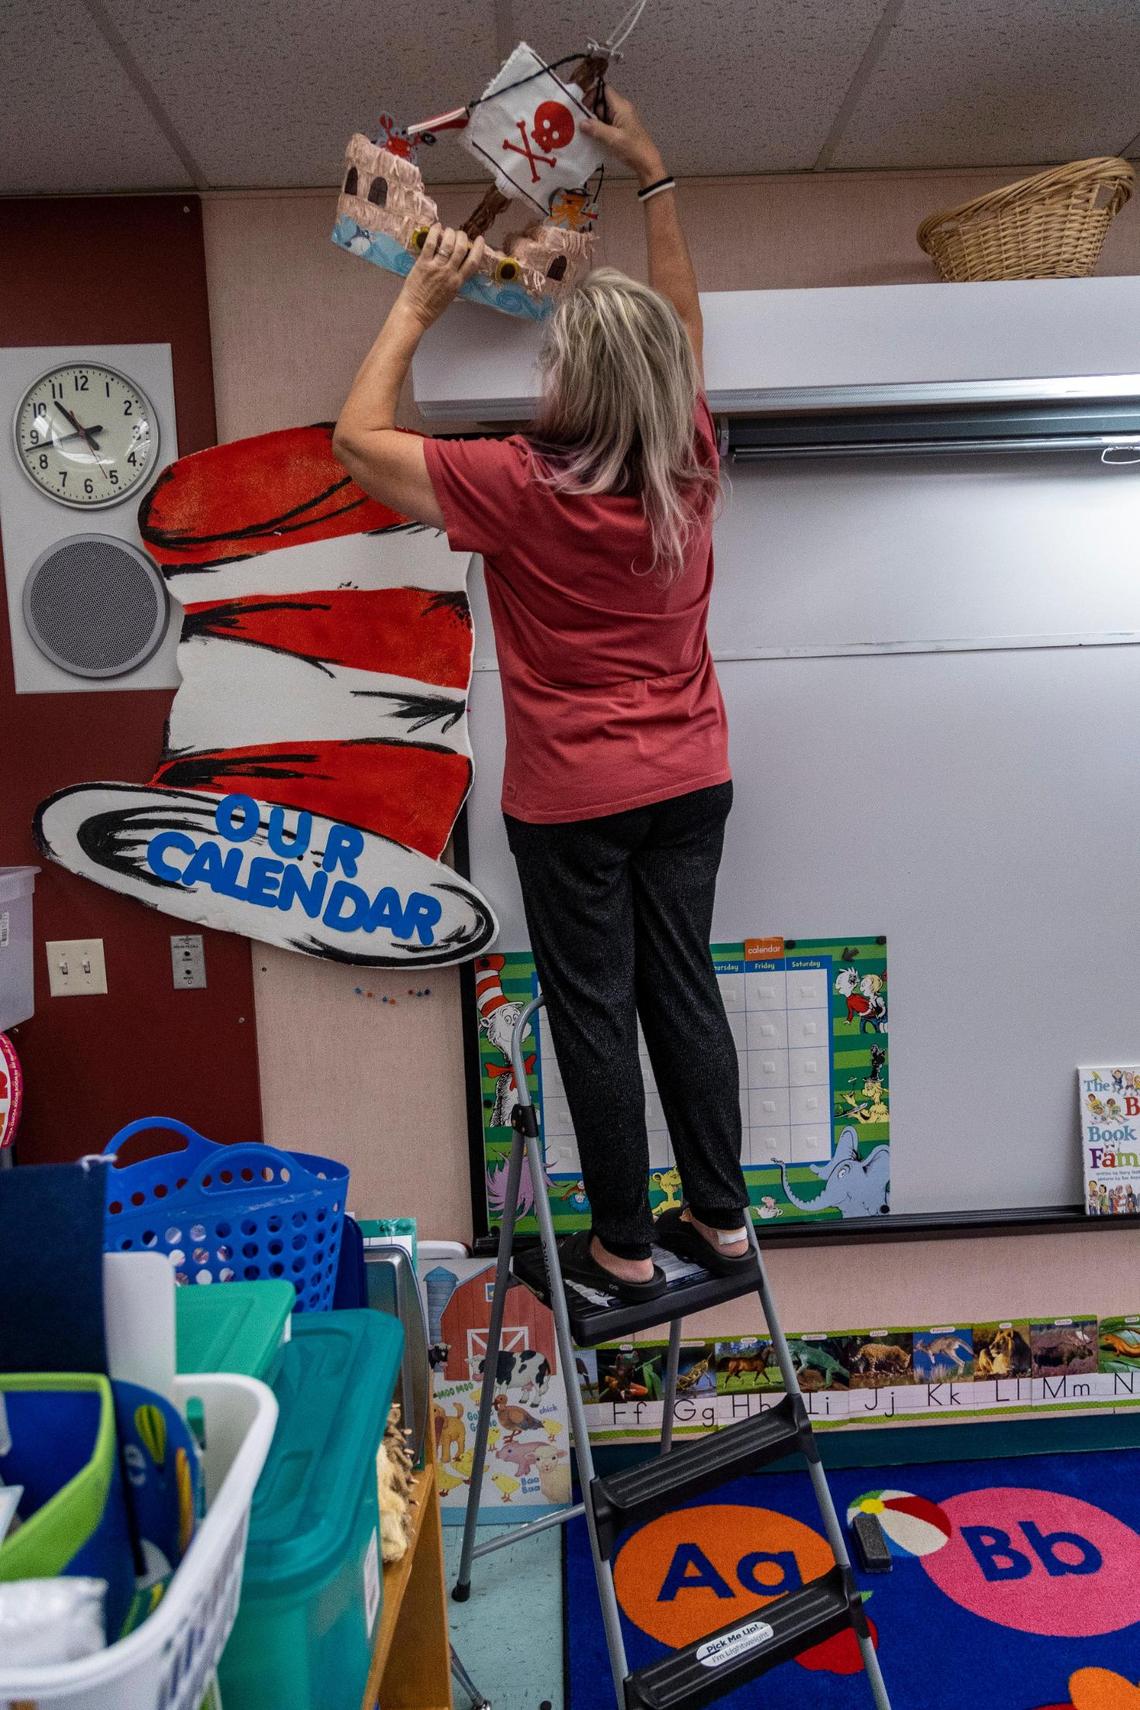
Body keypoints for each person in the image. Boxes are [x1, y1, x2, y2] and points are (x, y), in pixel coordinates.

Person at [334, 89, 754, 1302]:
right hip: (692, 782)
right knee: (683, 986)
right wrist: (655, 171)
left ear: (577, 377)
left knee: (594, 1010)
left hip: (573, 799)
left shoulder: (525, 483)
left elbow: (359, 441)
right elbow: (677, 324)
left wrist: (416, 300)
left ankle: (624, 1246)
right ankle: (721, 1223)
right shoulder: (689, 455)